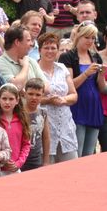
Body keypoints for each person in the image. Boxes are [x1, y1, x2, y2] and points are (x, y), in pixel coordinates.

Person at [59, 23, 104, 157]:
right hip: (77, 106)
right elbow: (69, 86)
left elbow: (101, 86)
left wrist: (102, 75)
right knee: (77, 151)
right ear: (78, 36)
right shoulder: (67, 56)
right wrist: (86, 73)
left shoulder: (95, 57)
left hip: (94, 105)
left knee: (89, 152)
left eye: (93, 38)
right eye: (87, 37)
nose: (90, 41)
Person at [36, 33, 78, 162]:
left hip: (65, 127)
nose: (50, 51)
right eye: (46, 48)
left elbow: (74, 95)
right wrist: (48, 100)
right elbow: (28, 98)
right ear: (39, 50)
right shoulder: (34, 69)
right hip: (45, 127)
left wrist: (64, 100)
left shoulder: (62, 68)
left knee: (72, 167)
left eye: (53, 48)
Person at [0, 26, 46, 90]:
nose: (31, 44)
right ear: (17, 42)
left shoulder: (31, 61)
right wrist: (25, 66)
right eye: (28, 40)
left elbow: (47, 87)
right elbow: (16, 86)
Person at [0, 83, 31, 172]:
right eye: (4, 98)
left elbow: (26, 144)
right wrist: (2, 161)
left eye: (11, 99)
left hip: (15, 168)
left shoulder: (22, 120)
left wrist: (18, 163)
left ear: (17, 100)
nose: (7, 102)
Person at [22, 78, 50, 171]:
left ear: (42, 95)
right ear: (24, 94)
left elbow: (46, 138)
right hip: (20, 160)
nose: (34, 97)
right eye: (30, 94)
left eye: (38, 95)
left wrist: (46, 161)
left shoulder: (43, 113)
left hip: (36, 159)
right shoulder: (18, 113)